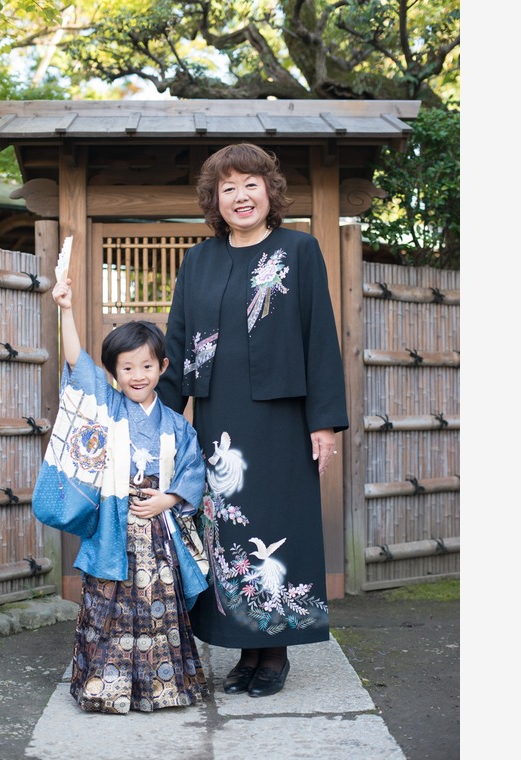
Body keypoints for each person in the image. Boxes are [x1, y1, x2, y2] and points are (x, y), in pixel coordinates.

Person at [157, 142, 349, 698]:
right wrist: (157, 421)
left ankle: (275, 653)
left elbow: (319, 339)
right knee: (227, 527)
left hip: (283, 418)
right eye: (228, 188)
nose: (241, 196)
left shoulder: (299, 250)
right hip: (220, 417)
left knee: (278, 525)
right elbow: (176, 341)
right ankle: (246, 649)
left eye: (250, 184)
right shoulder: (199, 260)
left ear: (270, 191)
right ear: (215, 200)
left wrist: (324, 421)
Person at [48, 276, 209, 714]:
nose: (138, 376)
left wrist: (169, 499)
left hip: (158, 530)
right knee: (109, 605)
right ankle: (105, 687)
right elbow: (78, 366)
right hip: (113, 526)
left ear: (163, 366)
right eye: (126, 368)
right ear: (114, 373)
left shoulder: (177, 424)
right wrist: (66, 308)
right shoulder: (106, 407)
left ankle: (164, 687)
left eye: (146, 366)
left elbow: (194, 470)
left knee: (160, 610)